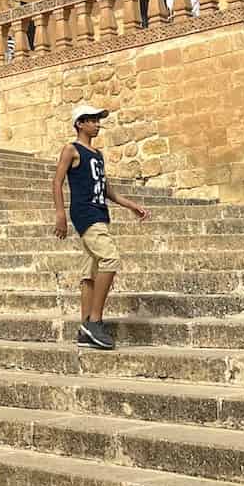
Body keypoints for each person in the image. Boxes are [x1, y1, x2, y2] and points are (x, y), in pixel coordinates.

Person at [52, 104, 149, 351]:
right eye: (93, 120)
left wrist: (131, 205)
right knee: (110, 258)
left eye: (98, 120)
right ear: (80, 124)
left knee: (90, 272)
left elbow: (107, 190)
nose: (97, 124)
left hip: (100, 212)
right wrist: (60, 214)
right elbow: (57, 181)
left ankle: (85, 328)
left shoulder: (97, 155)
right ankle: (95, 321)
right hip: (85, 213)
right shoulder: (71, 149)